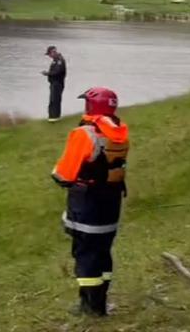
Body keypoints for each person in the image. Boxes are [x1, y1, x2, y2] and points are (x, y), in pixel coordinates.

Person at [51, 87, 129, 316]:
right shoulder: (120, 131)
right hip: (111, 201)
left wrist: (59, 174)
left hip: (87, 205)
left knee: (86, 255)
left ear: (91, 106)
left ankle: (91, 308)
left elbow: (64, 175)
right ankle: (101, 302)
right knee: (103, 252)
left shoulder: (85, 133)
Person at [42, 46, 67, 122]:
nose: (49, 56)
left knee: (55, 100)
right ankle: (51, 116)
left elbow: (58, 72)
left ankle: (55, 117)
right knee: (52, 100)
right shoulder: (55, 60)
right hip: (53, 83)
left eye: (49, 54)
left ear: (53, 52)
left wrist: (48, 73)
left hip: (57, 83)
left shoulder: (60, 60)